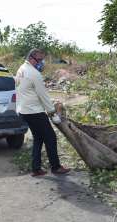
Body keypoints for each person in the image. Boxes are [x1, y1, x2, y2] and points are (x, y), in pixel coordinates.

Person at [15, 48, 70, 177]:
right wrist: (52, 113)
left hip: (23, 110)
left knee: (38, 138)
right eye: (39, 60)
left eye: (42, 60)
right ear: (31, 58)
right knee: (51, 137)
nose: (41, 63)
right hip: (34, 112)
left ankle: (36, 168)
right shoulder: (34, 73)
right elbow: (43, 96)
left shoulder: (21, 69)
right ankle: (56, 167)